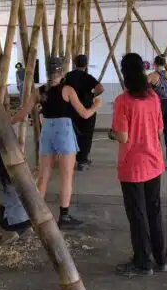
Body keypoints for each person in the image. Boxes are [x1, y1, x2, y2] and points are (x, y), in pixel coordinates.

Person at [13, 56, 101, 227]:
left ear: (48, 71)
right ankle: (64, 216)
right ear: (62, 72)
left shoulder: (39, 92)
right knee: (66, 177)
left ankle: (35, 215)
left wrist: (7, 121)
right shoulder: (67, 90)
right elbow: (84, 114)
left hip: (47, 132)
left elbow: (22, 115)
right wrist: (96, 105)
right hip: (64, 131)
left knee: (43, 176)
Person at [112, 52, 167, 277]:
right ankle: (162, 257)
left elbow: (123, 137)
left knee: (138, 216)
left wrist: (112, 133)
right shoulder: (153, 97)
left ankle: (143, 262)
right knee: (154, 211)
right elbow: (159, 130)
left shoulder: (123, 101)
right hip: (154, 162)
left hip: (132, 167)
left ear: (125, 73)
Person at [64, 54, 103, 171]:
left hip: (71, 109)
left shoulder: (68, 76)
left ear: (75, 64)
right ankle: (82, 160)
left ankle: (70, 159)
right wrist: (92, 96)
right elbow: (100, 88)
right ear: (86, 64)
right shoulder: (88, 77)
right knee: (86, 135)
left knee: (71, 135)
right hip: (87, 109)